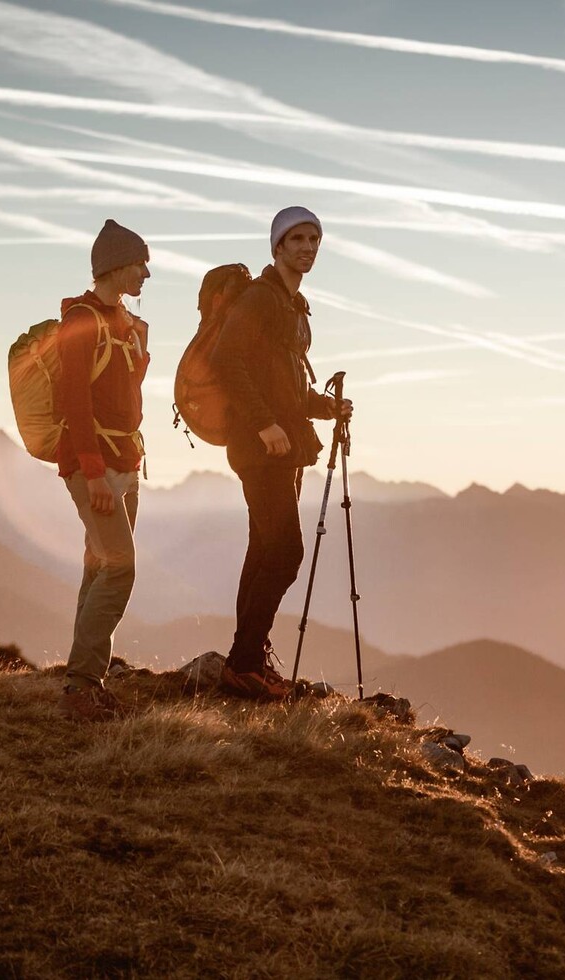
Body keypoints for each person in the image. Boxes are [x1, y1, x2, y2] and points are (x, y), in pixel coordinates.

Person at [213, 205, 352, 700]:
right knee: (286, 552)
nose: (307, 247)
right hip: (261, 448)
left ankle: (245, 660)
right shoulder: (261, 299)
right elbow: (226, 360)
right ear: (277, 247)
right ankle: (244, 660)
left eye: (314, 239)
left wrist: (325, 407)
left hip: (281, 449)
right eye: (296, 239)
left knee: (264, 550)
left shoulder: (292, 306)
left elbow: (285, 387)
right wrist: (265, 424)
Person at [56, 219, 150, 722]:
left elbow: (122, 396)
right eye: (141, 264)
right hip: (96, 466)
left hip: (125, 462)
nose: (147, 275)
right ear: (116, 266)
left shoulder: (122, 324)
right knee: (120, 566)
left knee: (99, 565)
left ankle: (85, 680)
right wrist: (92, 473)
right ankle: (79, 688)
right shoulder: (83, 321)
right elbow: (74, 401)